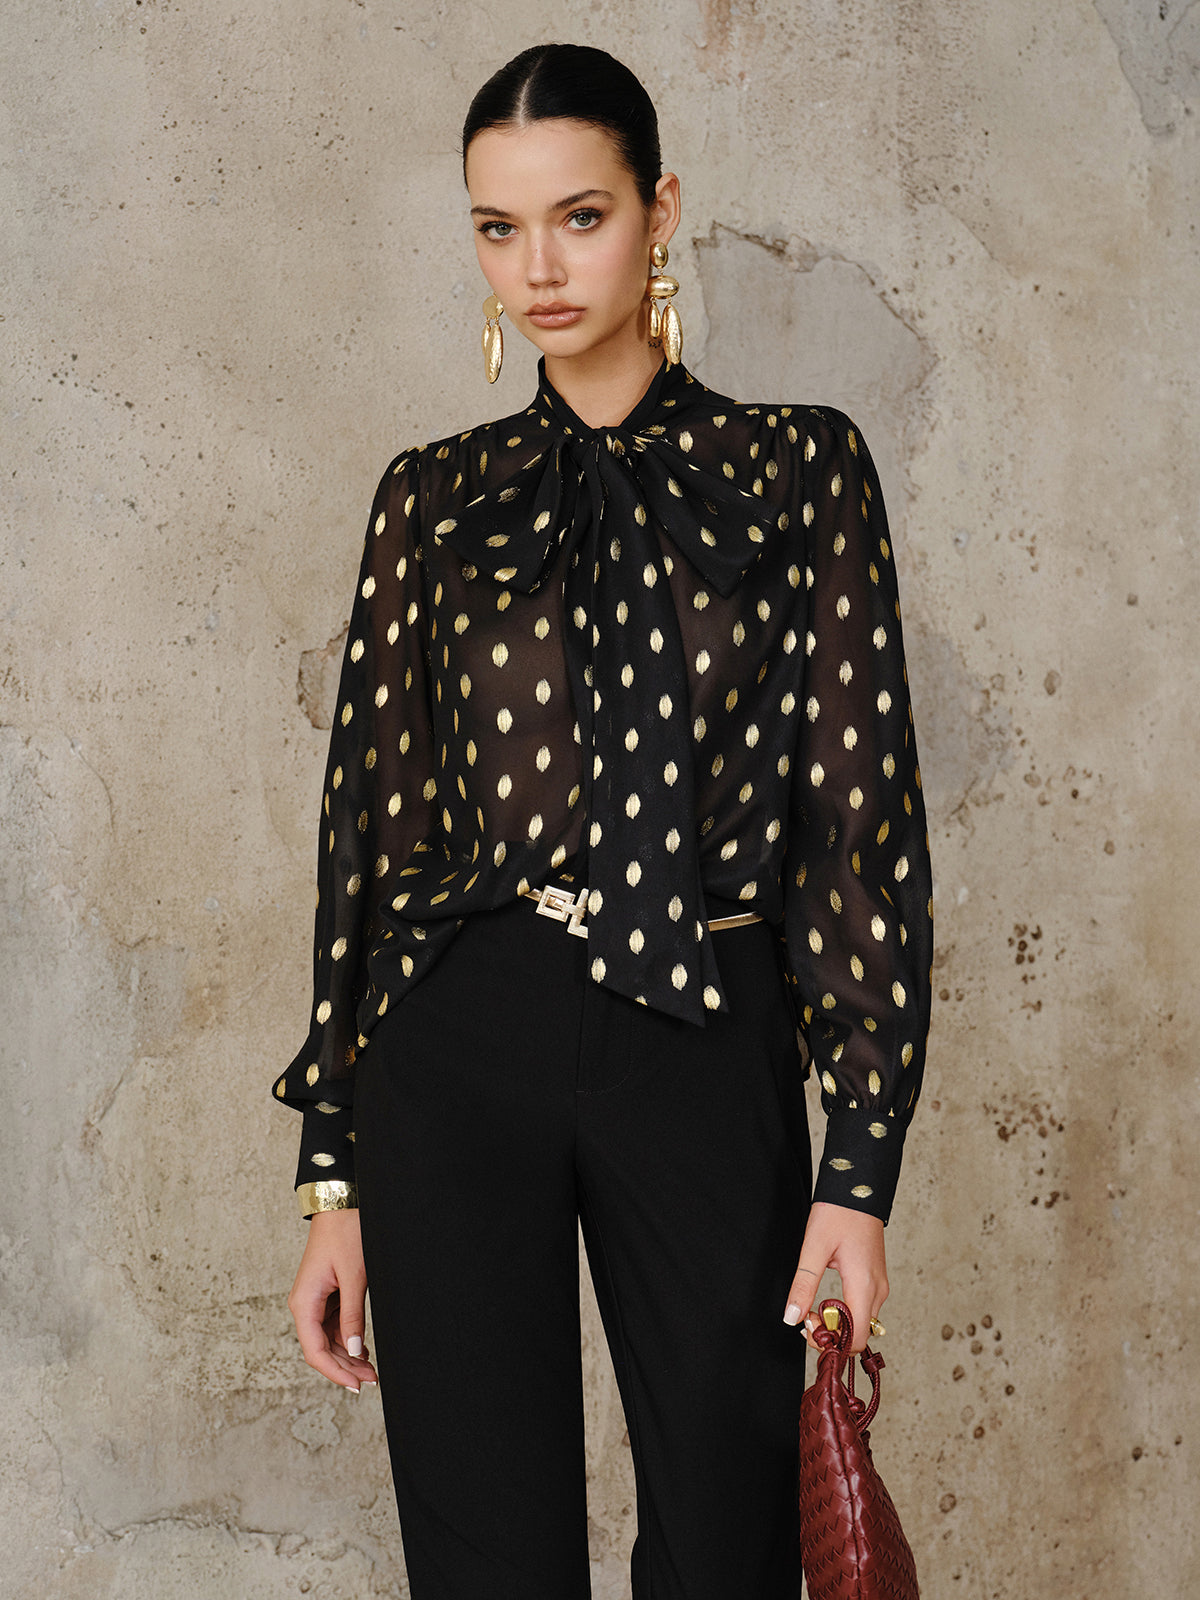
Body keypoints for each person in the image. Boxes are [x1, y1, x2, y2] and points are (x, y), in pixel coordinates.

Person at [274, 41, 933, 1600]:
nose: (541, 268)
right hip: (462, 1037)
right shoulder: (433, 498)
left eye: (580, 216)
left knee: (727, 1542)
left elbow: (859, 828)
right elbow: (370, 840)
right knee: (485, 1558)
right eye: (498, 228)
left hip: (706, 1024)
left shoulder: (802, 470)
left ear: (660, 211)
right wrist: (334, 1177)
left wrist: (861, 1166)